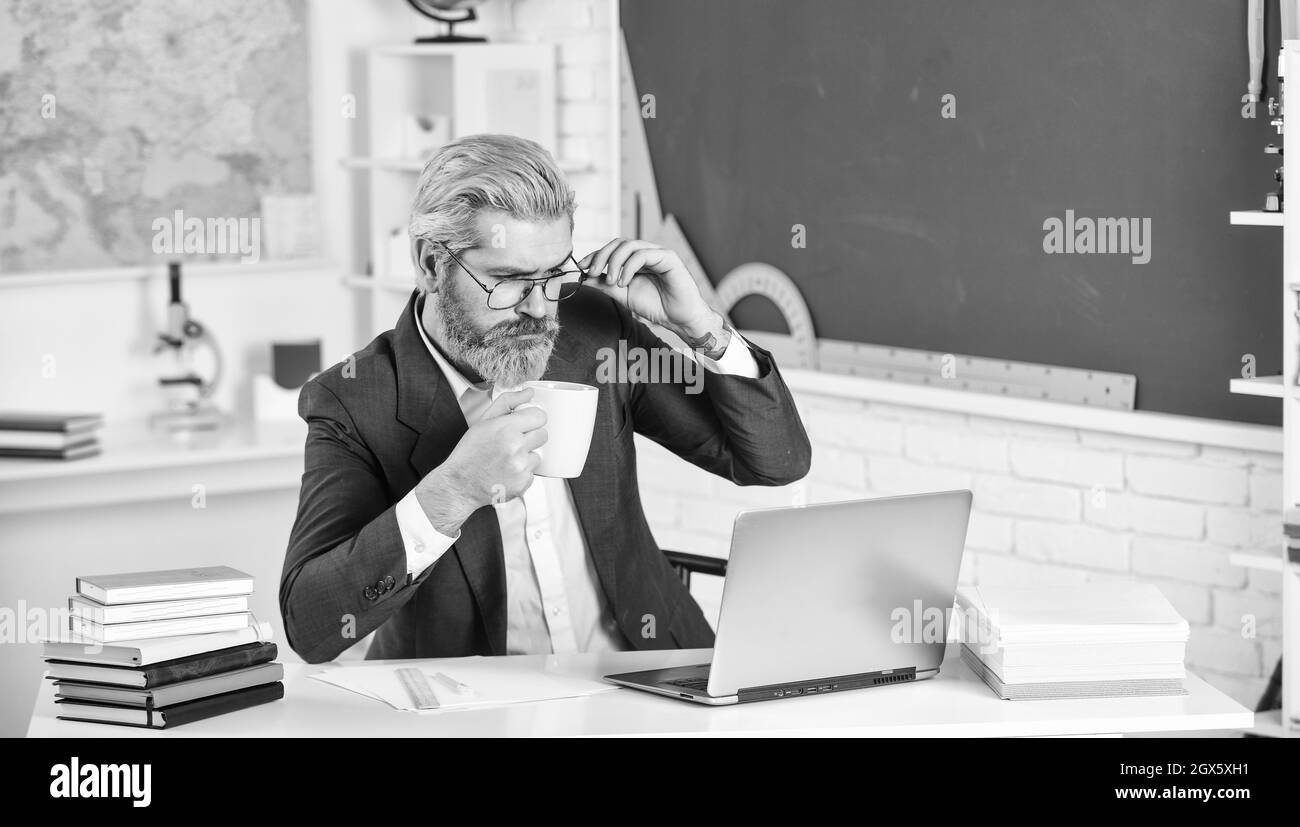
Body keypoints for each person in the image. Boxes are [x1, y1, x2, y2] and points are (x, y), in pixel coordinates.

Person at [280, 134, 811, 663]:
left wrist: (702, 329)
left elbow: (773, 463)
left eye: (554, 276)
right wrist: (452, 492)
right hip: (475, 706)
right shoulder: (352, 399)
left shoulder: (597, 333)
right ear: (430, 265)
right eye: (508, 281)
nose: (539, 310)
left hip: (647, 671)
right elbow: (313, 626)